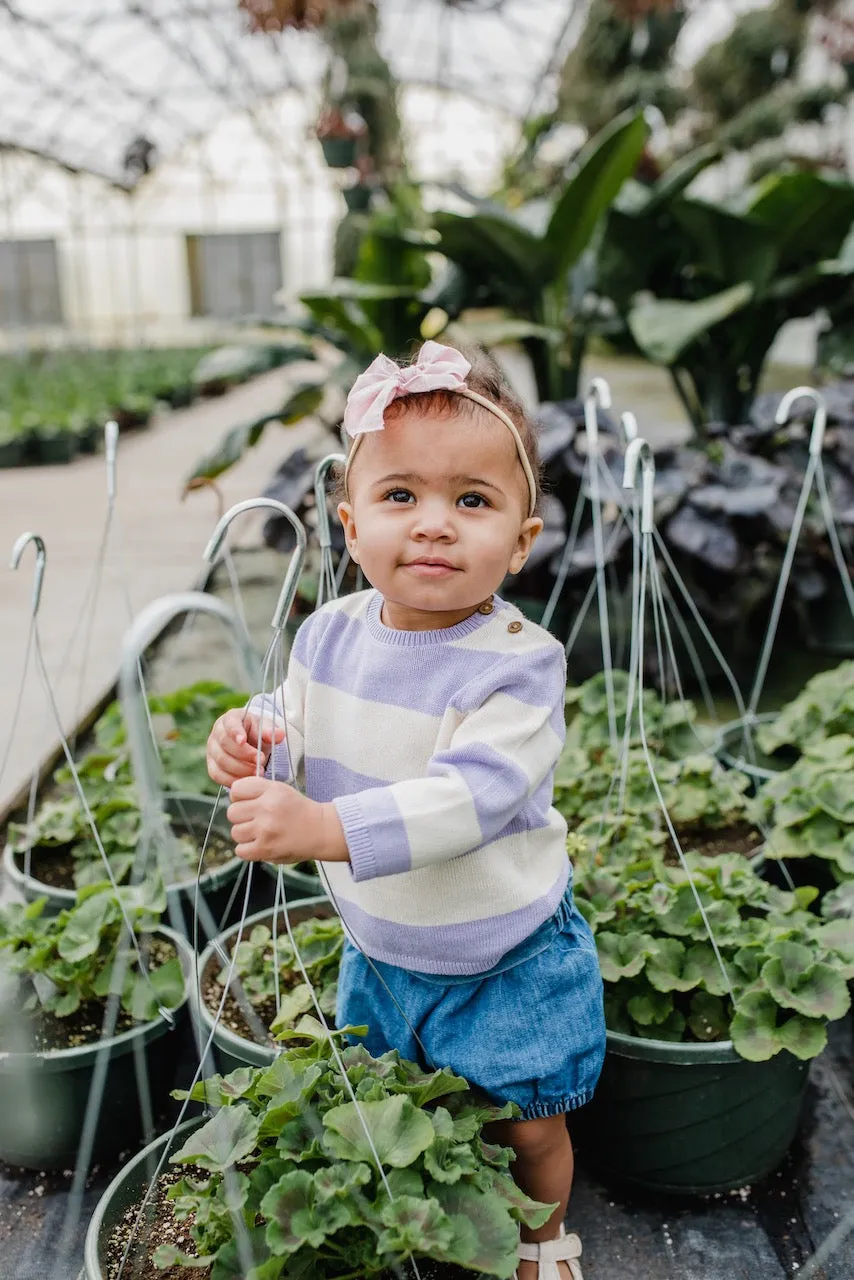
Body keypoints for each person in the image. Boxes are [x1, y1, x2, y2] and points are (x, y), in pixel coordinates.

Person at [206, 340, 606, 1280]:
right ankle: (425, 1226)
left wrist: (324, 830)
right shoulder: (329, 633)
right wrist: (255, 735)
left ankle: (546, 1242)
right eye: (400, 497)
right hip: (382, 945)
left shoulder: (520, 663)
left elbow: (465, 799)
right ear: (350, 526)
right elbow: (295, 719)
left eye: (472, 500)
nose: (433, 525)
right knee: (402, 1104)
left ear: (521, 539)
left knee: (528, 1122)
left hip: (501, 955)